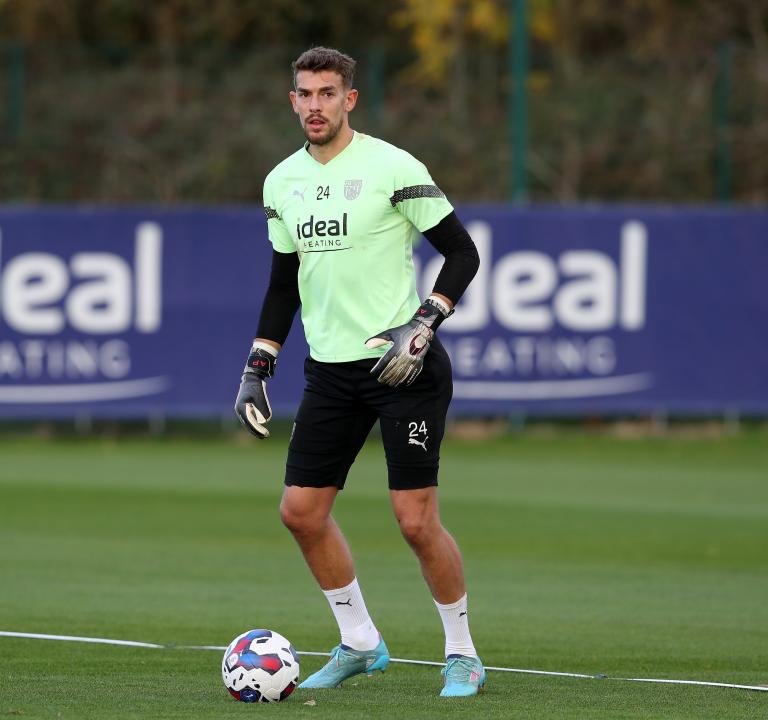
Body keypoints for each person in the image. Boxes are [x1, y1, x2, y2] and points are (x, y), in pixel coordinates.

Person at [234, 46, 484, 698]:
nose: (314, 105)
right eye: (304, 94)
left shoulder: (392, 166)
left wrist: (424, 322)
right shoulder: (280, 182)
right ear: (292, 101)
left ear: (350, 99)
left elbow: (461, 253)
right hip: (330, 373)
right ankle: (361, 643)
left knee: (414, 521)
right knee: (301, 512)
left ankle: (462, 653)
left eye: (327, 93)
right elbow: (284, 284)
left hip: (406, 368)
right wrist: (259, 364)